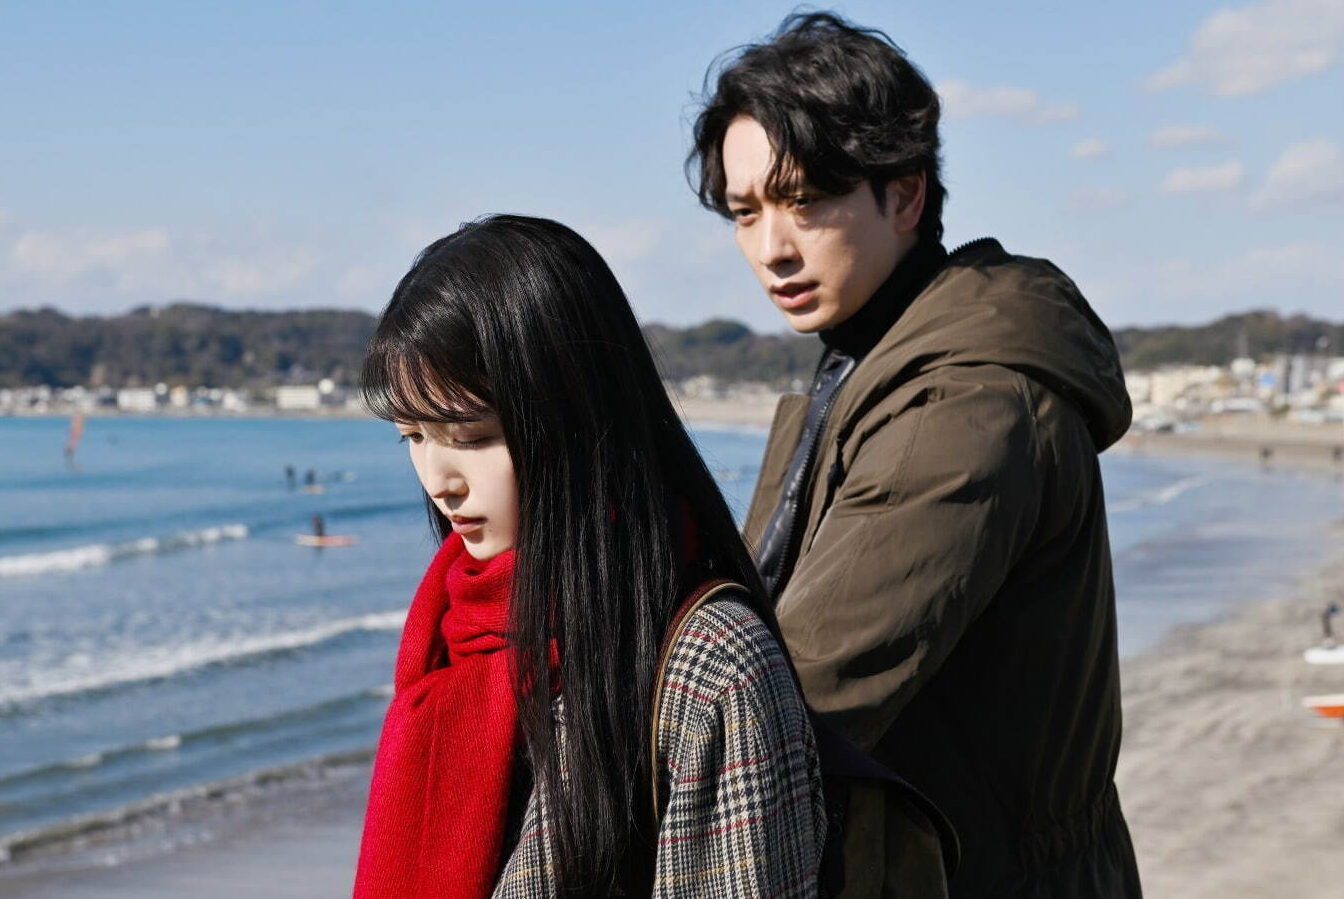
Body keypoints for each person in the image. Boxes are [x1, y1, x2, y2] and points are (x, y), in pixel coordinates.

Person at [688, 13, 1141, 898]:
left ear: (904, 196)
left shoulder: (960, 407)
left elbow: (790, 699)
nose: (773, 248)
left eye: (806, 199)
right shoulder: (864, 367)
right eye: (746, 212)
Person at [352, 215, 825, 898]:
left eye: (473, 436)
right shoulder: (455, 630)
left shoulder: (712, 667)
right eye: (413, 436)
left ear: (576, 420)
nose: (439, 480)